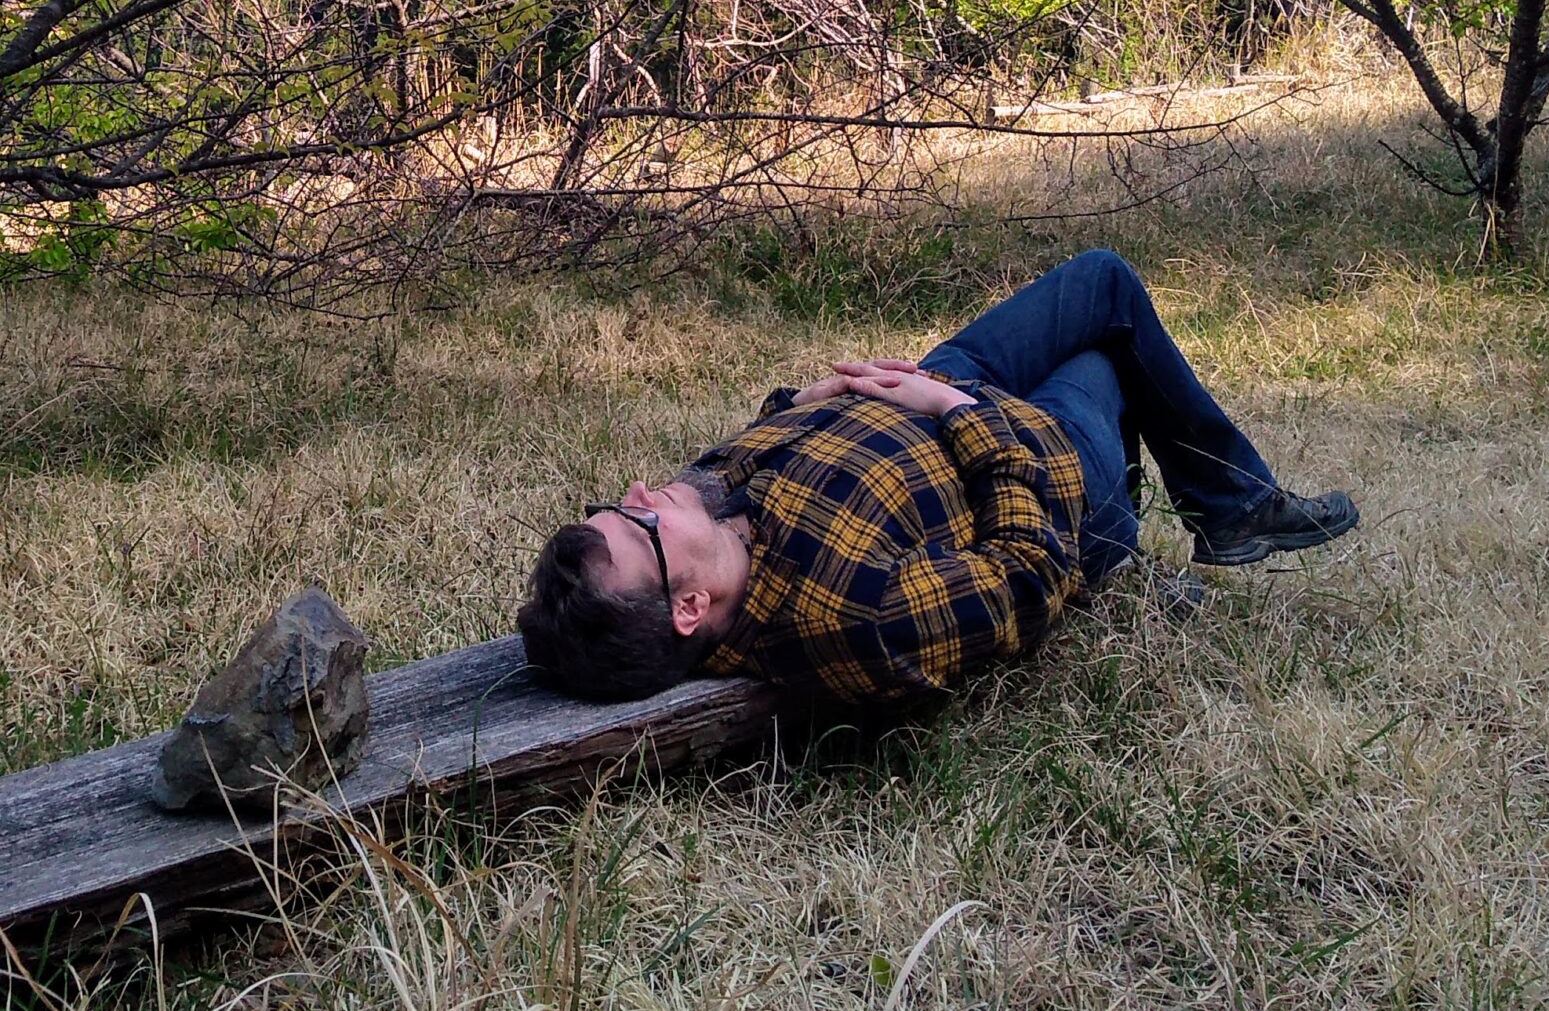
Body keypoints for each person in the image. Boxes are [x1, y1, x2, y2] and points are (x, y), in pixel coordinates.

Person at [516, 249, 1358, 706]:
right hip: (1044, 457)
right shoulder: (857, 619)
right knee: (1110, 344)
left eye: (617, 505)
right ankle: (1169, 529)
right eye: (641, 526)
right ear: (688, 608)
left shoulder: (709, 534)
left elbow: (726, 463)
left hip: (939, 382)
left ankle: (1226, 507)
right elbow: (1026, 577)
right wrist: (958, 416)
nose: (644, 496)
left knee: (1103, 277)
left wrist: (803, 400)